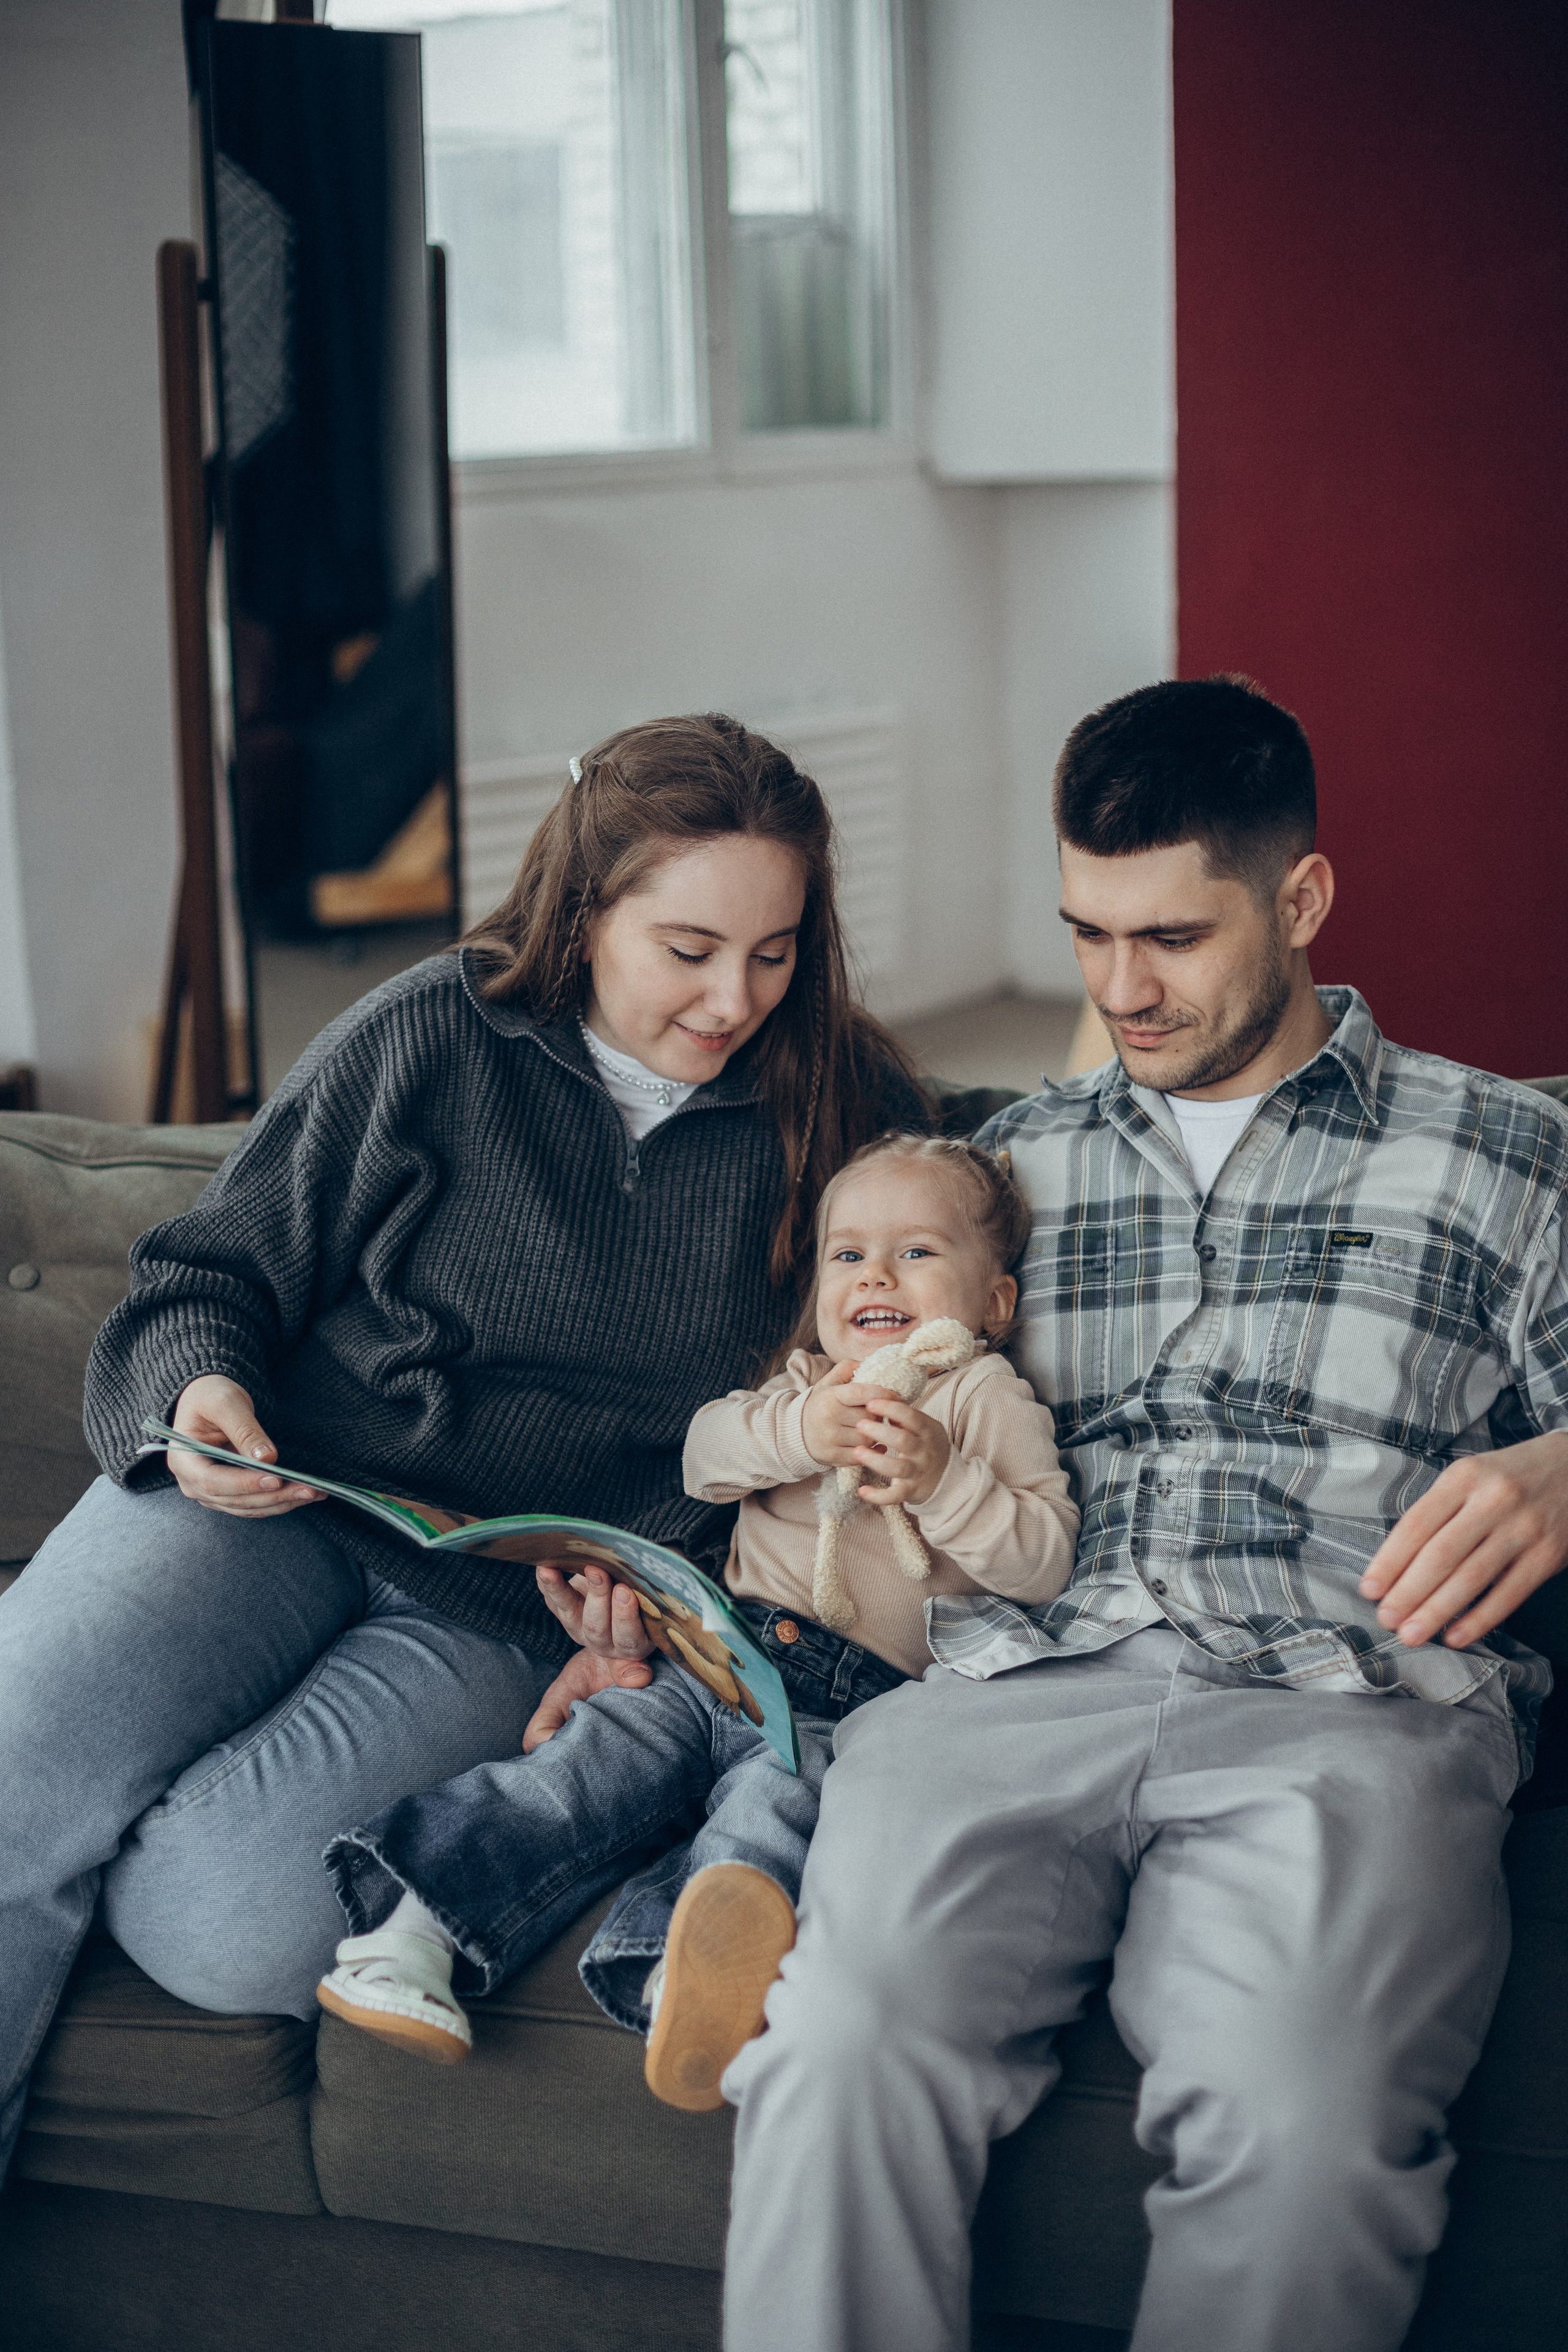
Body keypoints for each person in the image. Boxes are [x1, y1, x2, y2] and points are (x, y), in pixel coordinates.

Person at [719, 676, 1568, 2352]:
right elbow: (807, 1410)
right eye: (1088, 935)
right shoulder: (996, 1171)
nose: (1121, 989)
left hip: (1351, 1712)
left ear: (1302, 900)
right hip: (1003, 1689)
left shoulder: (1509, 1153)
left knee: (1304, 2126)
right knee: (834, 2049)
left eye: (1171, 936)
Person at [0, 712, 929, 2182]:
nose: (733, 997)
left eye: (775, 951)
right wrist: (197, 1396)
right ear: (584, 907)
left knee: (225, 1927)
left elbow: (833, 1422)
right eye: (687, 949)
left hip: (503, 1605)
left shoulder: (850, 1119)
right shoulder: (435, 1029)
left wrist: (655, 1619)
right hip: (281, 1493)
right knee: (11, 1766)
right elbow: (212, 1270)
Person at [315, 1133, 1080, 2112]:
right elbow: (705, 1459)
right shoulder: (802, 1387)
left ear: (997, 1303)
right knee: (577, 1774)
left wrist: (947, 1482)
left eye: (918, 1252)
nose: (875, 1274)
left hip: (848, 1712)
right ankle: (408, 1934)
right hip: (709, 1662)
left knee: (769, 1825)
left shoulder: (982, 1395)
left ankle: (682, 1982)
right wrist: (798, 1431)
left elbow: (1045, 1557)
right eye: (846, 1255)